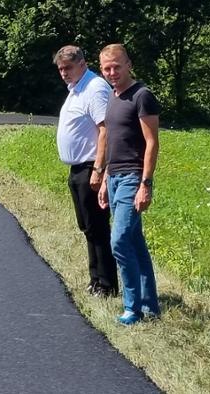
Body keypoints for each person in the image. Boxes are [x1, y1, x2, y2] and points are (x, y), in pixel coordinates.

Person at [94, 43, 160, 324]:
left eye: (117, 67)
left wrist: (146, 183)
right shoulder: (113, 96)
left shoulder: (142, 96)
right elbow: (111, 141)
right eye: (107, 68)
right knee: (134, 241)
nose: (112, 72)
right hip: (116, 176)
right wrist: (105, 177)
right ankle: (150, 306)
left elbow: (152, 142)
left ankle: (132, 307)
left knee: (119, 240)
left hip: (134, 177)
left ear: (129, 64)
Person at [53, 45, 117, 297]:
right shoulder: (76, 89)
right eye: (60, 69)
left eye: (68, 68)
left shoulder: (94, 88)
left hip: (92, 167)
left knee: (98, 228)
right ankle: (96, 278)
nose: (64, 73)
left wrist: (99, 170)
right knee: (88, 227)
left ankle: (107, 284)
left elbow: (106, 130)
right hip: (78, 169)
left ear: (82, 64)